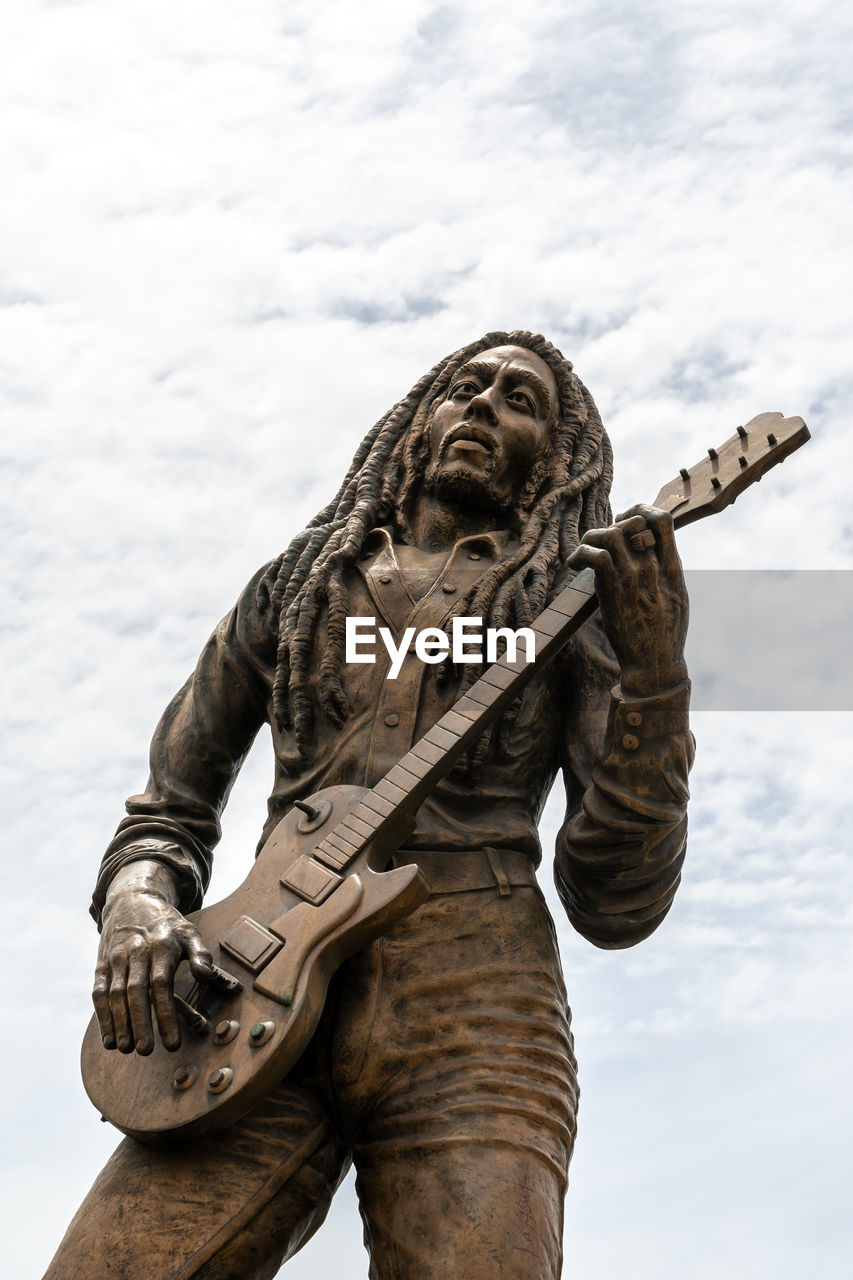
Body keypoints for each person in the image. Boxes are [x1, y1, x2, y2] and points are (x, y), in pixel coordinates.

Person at [46, 331, 693, 1280]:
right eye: (465, 388)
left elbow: (615, 902)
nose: (483, 406)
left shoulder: (572, 604)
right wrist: (139, 907)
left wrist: (654, 678)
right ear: (414, 421)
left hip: (475, 1007)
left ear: (557, 460)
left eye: (520, 401)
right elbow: (169, 807)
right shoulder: (299, 585)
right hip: (249, 985)